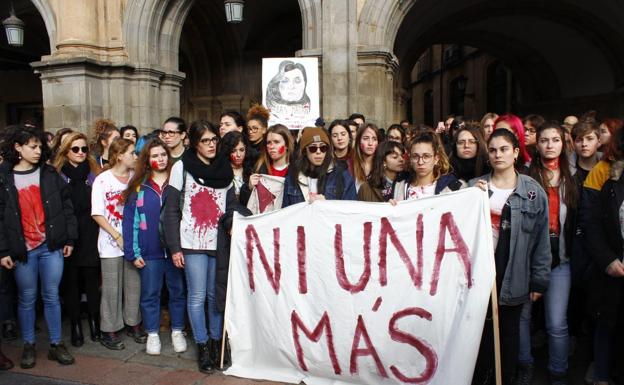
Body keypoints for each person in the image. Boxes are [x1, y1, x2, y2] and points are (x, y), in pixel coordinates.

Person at [470, 128, 551, 385]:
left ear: (515, 153)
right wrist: (472, 197)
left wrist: (540, 279)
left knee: (509, 334)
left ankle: (506, 378)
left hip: (513, 274)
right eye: (492, 150)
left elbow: (540, 240)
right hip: (480, 277)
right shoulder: (475, 188)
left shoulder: (533, 192)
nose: (498, 155)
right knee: (480, 336)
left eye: (504, 149)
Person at [162, 120, 236, 374]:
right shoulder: (182, 167)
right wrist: (174, 247)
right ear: (194, 143)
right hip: (191, 242)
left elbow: (232, 204)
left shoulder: (224, 167)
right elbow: (170, 209)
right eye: (205, 140)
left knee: (216, 296)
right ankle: (202, 346)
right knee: (197, 295)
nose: (211, 144)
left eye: (214, 139)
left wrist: (233, 220)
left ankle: (217, 343)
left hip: (219, 243)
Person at [0, 126, 78, 368]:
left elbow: (66, 207)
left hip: (51, 246)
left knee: (52, 295)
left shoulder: (49, 173)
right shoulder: (4, 177)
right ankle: (29, 345)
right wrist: (3, 250)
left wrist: (69, 238)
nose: (37, 151)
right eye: (32, 147)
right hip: (23, 249)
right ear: (17, 148)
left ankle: (56, 344)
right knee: (27, 297)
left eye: (39, 147)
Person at [518, 122, 578, 385]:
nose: (550, 145)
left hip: (561, 260)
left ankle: (558, 372)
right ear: (536, 144)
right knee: (523, 318)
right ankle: (525, 366)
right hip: (528, 261)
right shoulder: (524, 177)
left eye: (555, 140)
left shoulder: (573, 176)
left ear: (563, 144)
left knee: (556, 324)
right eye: (544, 140)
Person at [121, 139, 187, 356]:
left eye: (163, 155)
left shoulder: (178, 182)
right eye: (155, 155)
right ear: (147, 160)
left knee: (177, 292)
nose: (160, 159)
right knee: (150, 294)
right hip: (149, 252)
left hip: (176, 251)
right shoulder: (139, 187)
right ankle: (152, 334)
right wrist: (133, 252)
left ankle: (177, 331)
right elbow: (129, 223)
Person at [91, 138, 145, 350]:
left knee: (134, 284)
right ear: (120, 155)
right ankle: (109, 329)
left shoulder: (135, 178)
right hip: (110, 241)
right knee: (112, 287)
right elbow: (97, 213)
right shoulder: (102, 180)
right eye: (132, 153)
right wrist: (116, 236)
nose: (135, 157)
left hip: (133, 241)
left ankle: (133, 323)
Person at [581, 126, 624, 385]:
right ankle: (602, 374)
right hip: (614, 268)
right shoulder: (609, 179)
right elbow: (591, 223)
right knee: (608, 324)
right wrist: (607, 259)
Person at [53, 132, 102, 347]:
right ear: (66, 151)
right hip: (68, 236)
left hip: (91, 233)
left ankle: (94, 321)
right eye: (75, 149)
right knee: (71, 283)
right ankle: (74, 325)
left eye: (84, 149)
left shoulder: (95, 174)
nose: (81, 153)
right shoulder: (56, 175)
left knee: (91, 281)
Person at [282, 126, 356, 206]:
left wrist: (327, 204)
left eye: (323, 148)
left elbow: (350, 209)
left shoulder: (342, 175)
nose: (318, 152)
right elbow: (286, 212)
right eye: (313, 148)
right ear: (304, 151)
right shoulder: (292, 176)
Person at [393, 130, 462, 200]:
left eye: (426, 156)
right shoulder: (399, 186)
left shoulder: (451, 187)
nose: (420, 162)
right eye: (415, 156)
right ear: (410, 158)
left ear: (436, 159)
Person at [219, 131, 252, 204]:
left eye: (241, 150)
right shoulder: (221, 172)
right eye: (233, 151)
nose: (238, 155)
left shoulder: (251, 170)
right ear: (227, 151)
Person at [352, 123, 380, 190]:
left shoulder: (383, 165)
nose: (370, 143)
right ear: (359, 141)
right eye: (366, 138)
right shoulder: (350, 165)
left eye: (374, 139)